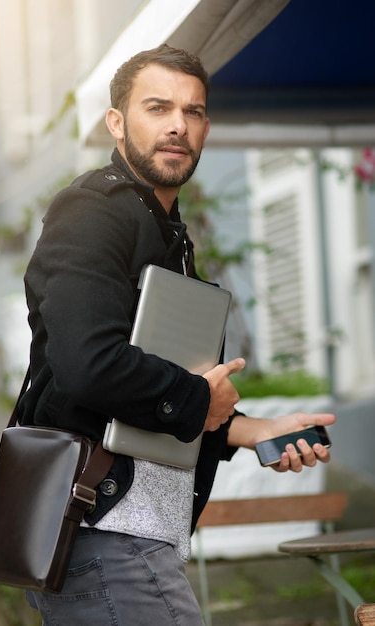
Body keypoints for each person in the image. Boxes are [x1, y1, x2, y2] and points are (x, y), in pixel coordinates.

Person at [19, 44, 335, 626]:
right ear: (117, 122)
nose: (177, 126)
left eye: (193, 112)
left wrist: (249, 428)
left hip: (134, 539)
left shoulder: (164, 231)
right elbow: (89, 365)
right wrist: (196, 398)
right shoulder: (90, 213)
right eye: (158, 107)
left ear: (207, 127)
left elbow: (159, 391)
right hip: (105, 532)